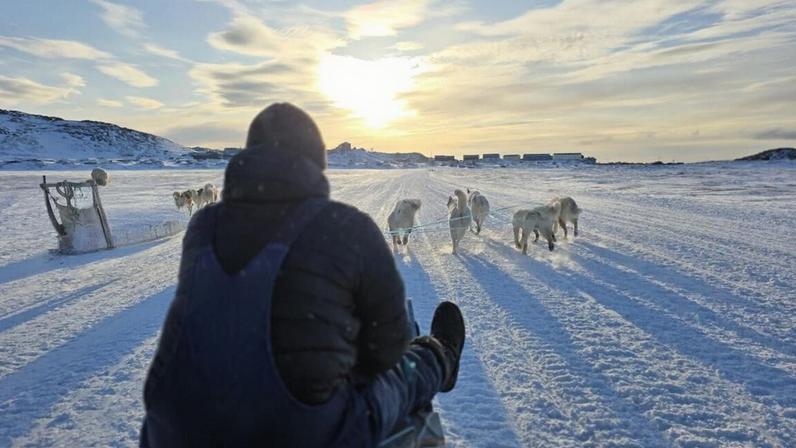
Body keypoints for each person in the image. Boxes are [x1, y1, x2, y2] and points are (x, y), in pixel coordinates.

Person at [140, 103, 465, 447]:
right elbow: (387, 348)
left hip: (174, 431)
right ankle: (442, 355)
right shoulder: (347, 226)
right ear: (318, 162)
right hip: (308, 432)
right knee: (405, 369)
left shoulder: (204, 226)